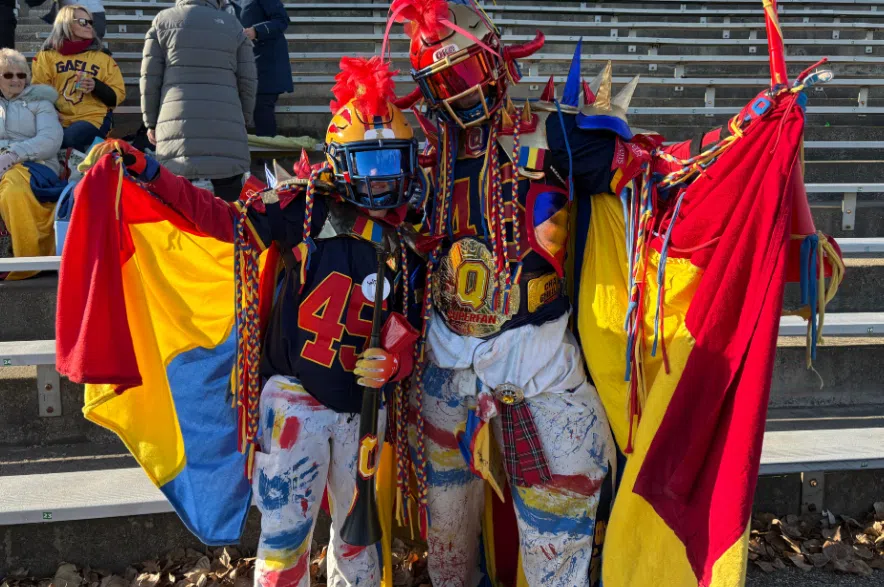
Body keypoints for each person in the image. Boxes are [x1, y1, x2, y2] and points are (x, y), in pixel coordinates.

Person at [92, 56, 421, 587]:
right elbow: (221, 220)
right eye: (369, 163)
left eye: (391, 163)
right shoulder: (304, 207)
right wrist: (152, 172)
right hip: (295, 399)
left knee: (360, 543)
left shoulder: (409, 242)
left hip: (363, 409)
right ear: (341, 162)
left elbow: (410, 323)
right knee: (286, 539)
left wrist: (395, 360)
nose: (382, 181)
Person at [385, 1, 623, 585]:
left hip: (539, 374)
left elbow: (646, 171)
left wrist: (740, 145)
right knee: (447, 546)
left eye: (464, 74)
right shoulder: (425, 159)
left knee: (555, 551)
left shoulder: (553, 133)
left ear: (493, 60)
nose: (460, 94)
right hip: (444, 369)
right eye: (443, 84)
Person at [141, 0, 257, 202]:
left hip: (177, 128)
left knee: (178, 209)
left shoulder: (163, 21)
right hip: (226, 124)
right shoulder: (233, 25)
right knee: (229, 213)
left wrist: (150, 122)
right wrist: (244, 119)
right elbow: (247, 81)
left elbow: (150, 79)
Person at [0, 48, 64, 279]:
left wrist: (11, 155)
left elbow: (50, 140)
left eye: (21, 75)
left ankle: (26, 259)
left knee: (13, 189)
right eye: (8, 75)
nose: (16, 80)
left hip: (36, 166)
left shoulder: (41, 103)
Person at [31, 4, 124, 152]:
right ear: (66, 24)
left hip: (93, 118)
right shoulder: (46, 56)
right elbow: (39, 91)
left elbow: (116, 97)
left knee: (69, 138)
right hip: (58, 119)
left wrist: (96, 86)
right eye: (83, 22)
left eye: (91, 22)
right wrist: (51, 111)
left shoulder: (103, 57)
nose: (89, 26)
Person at [238, 0, 292, 137]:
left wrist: (256, 31)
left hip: (266, 66)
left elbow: (282, 20)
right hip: (240, 65)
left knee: (262, 110)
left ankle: (267, 158)